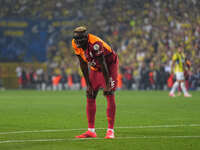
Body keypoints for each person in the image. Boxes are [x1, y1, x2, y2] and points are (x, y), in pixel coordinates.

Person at [72, 26, 118, 139]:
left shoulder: (95, 43)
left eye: (80, 40)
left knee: (109, 94)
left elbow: (103, 63)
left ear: (86, 37)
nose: (78, 42)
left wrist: (107, 84)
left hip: (109, 66)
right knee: (90, 94)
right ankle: (91, 131)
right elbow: (82, 64)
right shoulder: (74, 44)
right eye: (76, 39)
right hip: (95, 67)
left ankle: (110, 131)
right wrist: (88, 85)